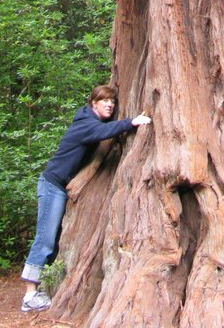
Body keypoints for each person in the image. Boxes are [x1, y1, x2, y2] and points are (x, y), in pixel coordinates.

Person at [20, 84, 151, 313]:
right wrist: (132, 122)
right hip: (52, 185)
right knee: (45, 239)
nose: (110, 105)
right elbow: (102, 132)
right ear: (93, 103)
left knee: (56, 239)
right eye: (104, 101)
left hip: (60, 186)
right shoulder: (85, 124)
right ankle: (30, 295)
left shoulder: (90, 122)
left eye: (112, 101)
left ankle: (44, 287)